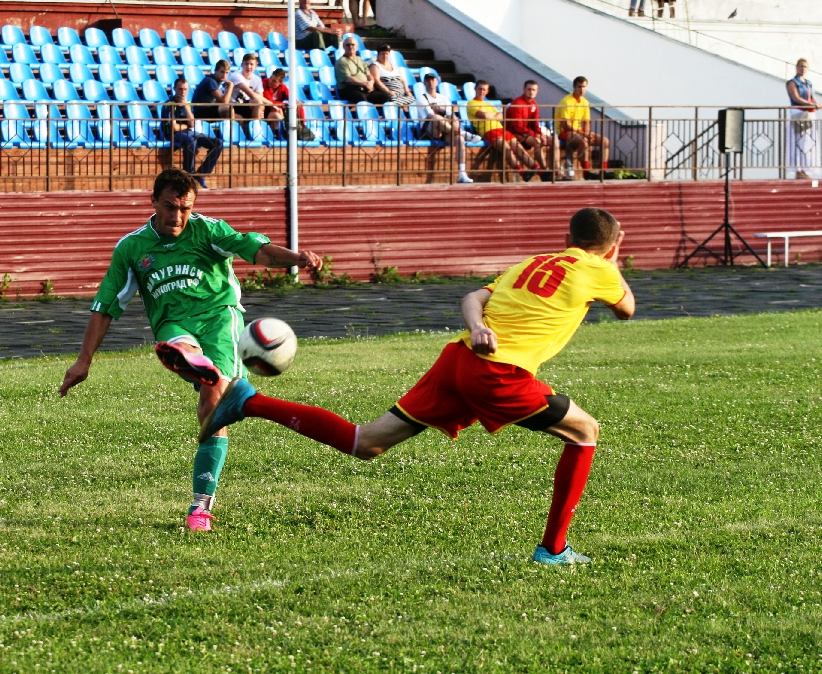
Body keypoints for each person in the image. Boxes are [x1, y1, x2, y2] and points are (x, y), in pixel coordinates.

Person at [201, 207, 636, 565]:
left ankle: (251, 402)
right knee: (585, 431)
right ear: (612, 246)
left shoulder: (532, 263)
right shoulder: (601, 268)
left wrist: (478, 329)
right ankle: (553, 549)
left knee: (366, 442)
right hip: (500, 373)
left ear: (566, 237)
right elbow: (627, 309)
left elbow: (472, 298)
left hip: (458, 359)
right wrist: (611, 263)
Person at [59, 168, 324, 532]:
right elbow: (106, 305)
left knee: (212, 406)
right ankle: (194, 363)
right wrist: (83, 361)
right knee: (183, 351)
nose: (177, 216)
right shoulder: (133, 248)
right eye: (170, 206)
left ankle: (200, 506)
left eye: (185, 208)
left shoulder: (208, 231)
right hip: (174, 323)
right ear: (154, 202)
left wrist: (296, 258)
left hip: (219, 319)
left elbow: (256, 249)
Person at [467, 80, 539, 180]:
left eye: (484, 89)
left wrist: (490, 115)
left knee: (518, 148)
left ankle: (538, 170)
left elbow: (501, 116)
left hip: (501, 129)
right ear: (475, 89)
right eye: (480, 89)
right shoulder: (471, 103)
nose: (482, 91)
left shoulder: (488, 104)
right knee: (506, 148)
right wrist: (493, 115)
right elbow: (484, 115)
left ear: (487, 91)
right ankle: (522, 172)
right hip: (488, 131)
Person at [161, 78, 223, 188]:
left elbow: (192, 124)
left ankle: (201, 173)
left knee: (218, 143)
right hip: (173, 134)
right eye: (180, 89)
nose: (182, 92)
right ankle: (188, 175)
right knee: (190, 140)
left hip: (189, 132)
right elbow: (175, 128)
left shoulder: (188, 104)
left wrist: (185, 107)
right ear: (174, 89)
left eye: (185, 89)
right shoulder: (169, 105)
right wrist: (187, 126)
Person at [416, 73, 476, 184]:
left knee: (459, 139)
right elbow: (430, 115)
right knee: (436, 117)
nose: (430, 82)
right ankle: (463, 133)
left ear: (437, 81)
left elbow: (451, 115)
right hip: (429, 130)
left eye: (432, 79)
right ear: (424, 83)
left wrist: (449, 117)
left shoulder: (443, 98)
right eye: (428, 80)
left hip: (445, 130)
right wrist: (443, 113)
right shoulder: (421, 98)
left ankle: (462, 173)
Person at [555, 76, 610, 179]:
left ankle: (603, 170)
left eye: (584, 87)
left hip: (579, 131)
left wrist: (587, 134)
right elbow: (564, 125)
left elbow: (586, 122)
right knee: (583, 142)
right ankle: (586, 172)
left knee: (605, 141)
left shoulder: (585, 102)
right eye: (579, 87)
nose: (582, 89)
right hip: (565, 132)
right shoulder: (567, 101)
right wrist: (583, 134)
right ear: (574, 87)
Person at [506, 80, 558, 179]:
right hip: (515, 133)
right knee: (537, 141)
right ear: (524, 90)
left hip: (527, 133)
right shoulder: (517, 103)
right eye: (529, 89)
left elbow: (535, 123)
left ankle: (557, 171)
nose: (531, 92)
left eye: (533, 90)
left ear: (537, 91)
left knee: (554, 140)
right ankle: (545, 171)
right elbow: (518, 127)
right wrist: (536, 135)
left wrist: (541, 134)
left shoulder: (534, 104)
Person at [786, 58, 820, 180]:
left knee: (808, 142)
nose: (803, 69)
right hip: (799, 114)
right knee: (798, 142)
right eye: (801, 66)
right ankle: (798, 169)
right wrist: (810, 104)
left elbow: (812, 97)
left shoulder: (808, 83)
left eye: (805, 66)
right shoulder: (792, 82)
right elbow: (796, 98)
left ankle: (807, 169)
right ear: (796, 67)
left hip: (809, 114)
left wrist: (816, 103)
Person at [336, 37, 389, 105]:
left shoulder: (360, 60)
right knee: (361, 99)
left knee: (385, 98)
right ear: (343, 47)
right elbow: (348, 79)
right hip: (349, 90)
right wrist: (364, 83)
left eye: (353, 45)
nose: (350, 47)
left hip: (365, 88)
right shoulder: (341, 62)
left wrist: (371, 82)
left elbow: (368, 74)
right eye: (348, 45)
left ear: (357, 47)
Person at [228, 53, 277, 122]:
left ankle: (257, 126)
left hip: (245, 106)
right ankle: (255, 126)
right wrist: (270, 104)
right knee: (257, 102)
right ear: (242, 65)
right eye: (246, 64)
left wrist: (261, 111)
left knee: (276, 114)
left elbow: (260, 98)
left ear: (256, 65)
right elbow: (252, 95)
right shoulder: (236, 76)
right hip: (233, 106)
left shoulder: (257, 79)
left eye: (251, 64)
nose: (248, 67)